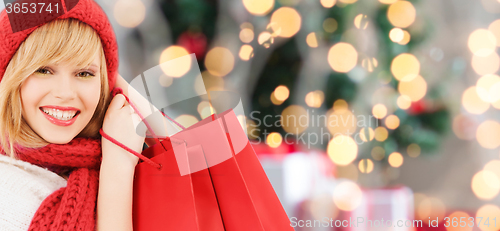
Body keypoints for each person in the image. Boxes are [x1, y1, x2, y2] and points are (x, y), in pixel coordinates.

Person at [0, 0, 159, 230]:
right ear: (9, 77)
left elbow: (204, 167)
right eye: (44, 70)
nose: (65, 93)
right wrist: (118, 166)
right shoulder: (9, 191)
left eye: (84, 73)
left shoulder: (116, 151)